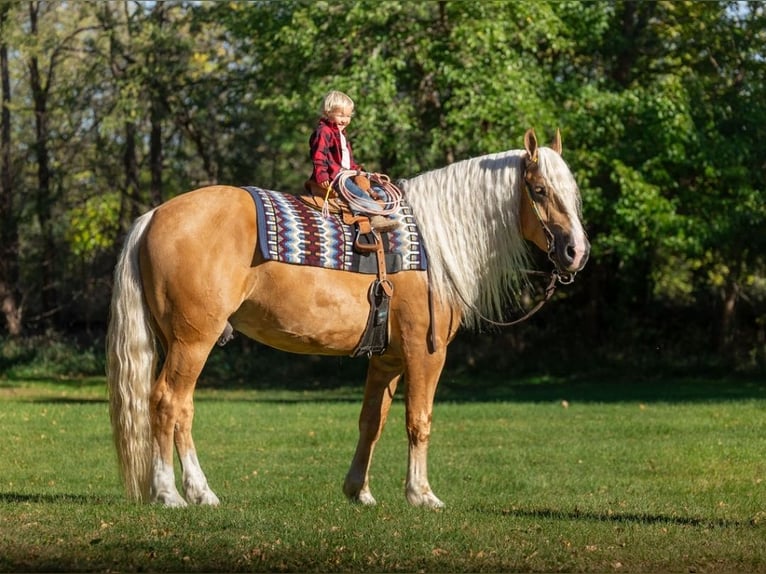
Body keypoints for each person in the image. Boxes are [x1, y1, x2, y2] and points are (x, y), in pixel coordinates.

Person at [308, 90, 399, 233]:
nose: (345, 120)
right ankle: (375, 215)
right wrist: (322, 175)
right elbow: (319, 154)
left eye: (348, 116)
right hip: (335, 176)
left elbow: (348, 162)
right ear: (328, 112)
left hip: (346, 174)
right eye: (340, 115)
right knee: (356, 193)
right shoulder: (324, 131)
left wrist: (363, 173)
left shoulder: (341, 134)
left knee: (369, 188)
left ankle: (377, 208)